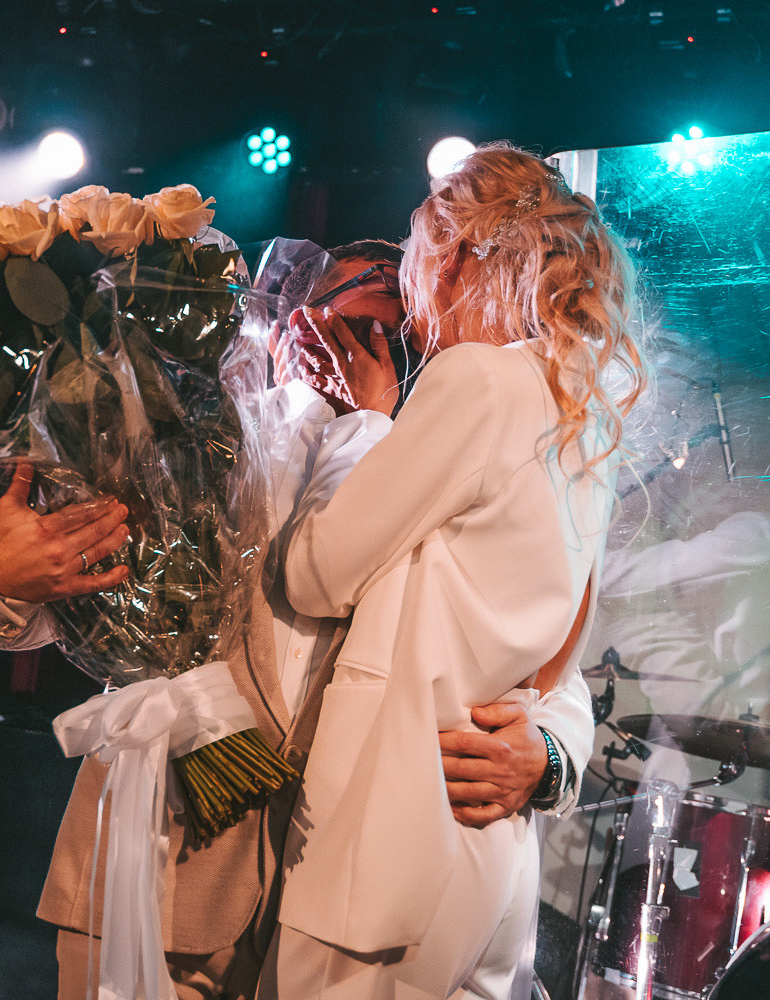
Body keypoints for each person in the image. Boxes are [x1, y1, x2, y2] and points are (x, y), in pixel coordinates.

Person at [0, 238, 597, 999]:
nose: (376, 348)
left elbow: (548, 653)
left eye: (402, 333)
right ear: (294, 322)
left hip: (335, 922)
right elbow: (71, 602)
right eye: (357, 322)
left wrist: (549, 754)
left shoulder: (447, 470)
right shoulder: (197, 440)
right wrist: (1, 577)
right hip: (159, 867)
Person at [261, 145, 645, 999]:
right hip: (484, 854)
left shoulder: (476, 380)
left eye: (414, 258)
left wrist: (364, 426)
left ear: (459, 255)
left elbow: (313, 577)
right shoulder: (581, 413)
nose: (408, 300)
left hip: (386, 848)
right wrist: (550, 757)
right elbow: (557, 655)